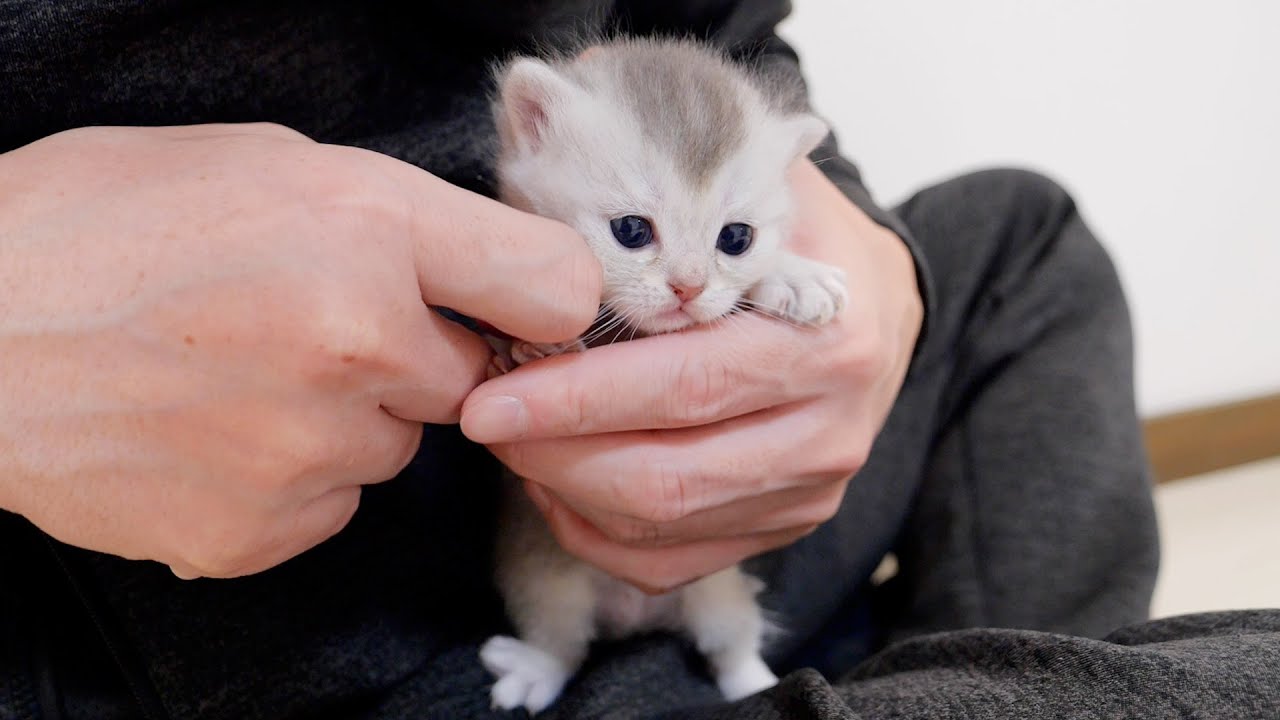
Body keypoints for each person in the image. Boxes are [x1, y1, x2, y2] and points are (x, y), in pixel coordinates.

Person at [1, 1, 1276, 718]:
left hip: (700, 530)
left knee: (1018, 243)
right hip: (280, 639)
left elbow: (711, 28)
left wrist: (847, 255)